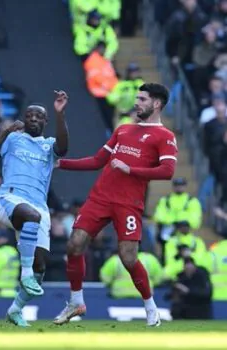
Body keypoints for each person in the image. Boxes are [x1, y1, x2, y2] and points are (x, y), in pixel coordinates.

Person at [53, 83, 178, 327]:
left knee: (128, 258)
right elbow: (98, 160)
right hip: (100, 197)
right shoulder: (123, 129)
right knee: (74, 244)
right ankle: (76, 302)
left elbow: (167, 171)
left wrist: (130, 169)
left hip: (128, 203)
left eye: (142, 99)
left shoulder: (165, 136)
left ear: (156, 104)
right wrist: (60, 164)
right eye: (137, 98)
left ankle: (151, 307)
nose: (136, 103)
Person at [0, 91, 69, 327]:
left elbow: (64, 147)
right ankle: (25, 274)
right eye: (29, 115)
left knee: (40, 266)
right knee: (31, 218)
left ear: (45, 122)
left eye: (38, 116)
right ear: (23, 119)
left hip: (39, 207)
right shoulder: (13, 139)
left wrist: (60, 114)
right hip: (9, 199)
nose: (33, 118)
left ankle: (15, 309)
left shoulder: (49, 146)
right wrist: (5, 132)